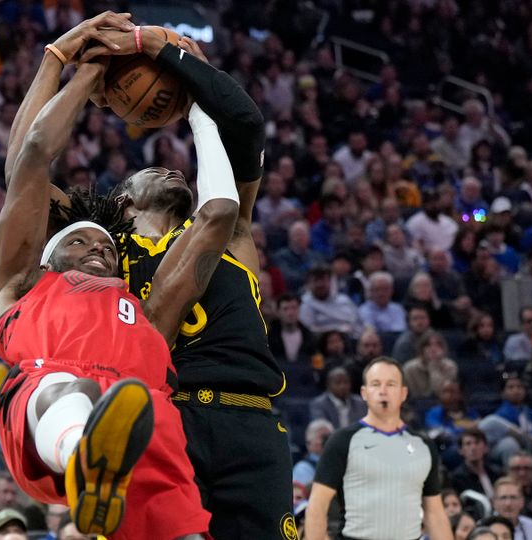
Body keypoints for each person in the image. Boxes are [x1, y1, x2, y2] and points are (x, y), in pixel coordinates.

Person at [0, 13, 241, 538]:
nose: (97, 249)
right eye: (78, 241)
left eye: (104, 244)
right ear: (47, 257)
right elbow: (31, 157)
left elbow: (218, 214)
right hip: (51, 399)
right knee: (64, 387)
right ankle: (85, 455)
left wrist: (199, 105)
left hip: (145, 416)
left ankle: (102, 463)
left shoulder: (146, 312)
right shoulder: (22, 284)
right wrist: (81, 68)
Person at [85, 27, 294, 538]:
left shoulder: (228, 232)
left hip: (250, 421)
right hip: (164, 416)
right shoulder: (102, 257)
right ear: (123, 201)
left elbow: (244, 122)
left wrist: (176, 73)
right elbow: (25, 173)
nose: (171, 170)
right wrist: (81, 72)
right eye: (152, 168)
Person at [304, 357, 453, 540]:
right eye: (376, 384)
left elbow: (435, 515)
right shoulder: (342, 441)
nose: (383, 391)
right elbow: (317, 508)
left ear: (403, 393)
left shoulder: (423, 446)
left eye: (391, 384)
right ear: (364, 393)